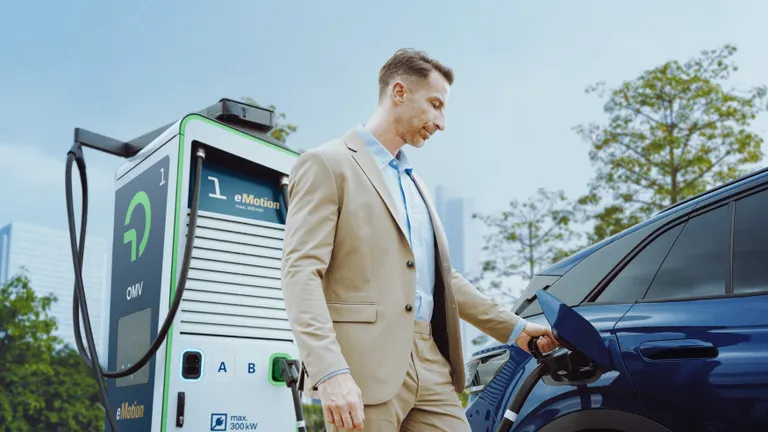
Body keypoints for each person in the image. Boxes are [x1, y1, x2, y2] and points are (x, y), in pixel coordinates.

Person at [281, 48, 558, 431]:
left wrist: (515, 330)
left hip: (431, 363)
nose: (441, 122)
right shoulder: (327, 164)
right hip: (363, 368)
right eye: (435, 105)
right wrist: (330, 371)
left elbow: (444, 279)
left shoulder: (415, 184)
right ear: (399, 92)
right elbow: (300, 274)